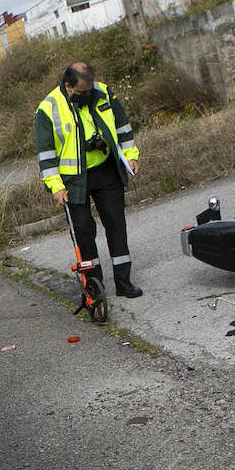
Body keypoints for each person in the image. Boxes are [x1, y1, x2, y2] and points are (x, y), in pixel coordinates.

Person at [35, 61, 143, 298]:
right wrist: (56, 187)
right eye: (83, 92)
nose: (88, 94)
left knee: (116, 224)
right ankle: (94, 285)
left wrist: (131, 156)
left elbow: (123, 126)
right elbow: (46, 155)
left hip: (106, 170)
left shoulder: (102, 92)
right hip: (72, 181)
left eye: (90, 89)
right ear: (68, 86)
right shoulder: (48, 108)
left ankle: (123, 282)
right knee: (84, 232)